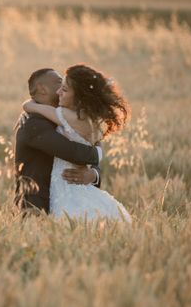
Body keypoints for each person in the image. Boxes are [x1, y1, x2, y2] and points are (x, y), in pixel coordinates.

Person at [22, 64, 132, 222]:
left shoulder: (64, 115)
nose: (60, 90)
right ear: (42, 88)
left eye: (64, 88)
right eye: (58, 85)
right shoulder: (37, 122)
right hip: (40, 202)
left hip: (67, 191)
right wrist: (98, 156)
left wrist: (93, 174)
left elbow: (77, 153)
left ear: (79, 96)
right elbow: (82, 151)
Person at [14, 68, 103, 216]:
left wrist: (94, 175)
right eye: (59, 82)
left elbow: (87, 150)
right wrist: (100, 153)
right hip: (37, 209)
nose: (63, 87)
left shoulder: (64, 118)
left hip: (71, 204)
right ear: (43, 89)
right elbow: (76, 153)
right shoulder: (33, 123)